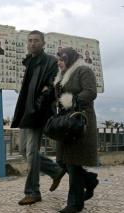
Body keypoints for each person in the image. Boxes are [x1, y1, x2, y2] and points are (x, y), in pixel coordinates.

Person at [11, 30, 65, 206]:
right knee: (23, 150)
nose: (32, 43)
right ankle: (55, 170)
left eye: (36, 40)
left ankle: (33, 192)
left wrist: (38, 104)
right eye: (30, 41)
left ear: (43, 43)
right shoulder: (30, 62)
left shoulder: (50, 61)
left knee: (32, 152)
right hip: (27, 112)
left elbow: (51, 87)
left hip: (39, 112)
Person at [54, 47, 98, 213]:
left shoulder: (84, 71)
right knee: (62, 160)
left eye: (62, 59)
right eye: (58, 59)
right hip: (65, 122)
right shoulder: (62, 76)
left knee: (73, 163)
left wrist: (70, 101)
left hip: (80, 121)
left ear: (70, 58)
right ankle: (89, 181)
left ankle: (75, 204)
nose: (59, 62)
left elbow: (91, 92)